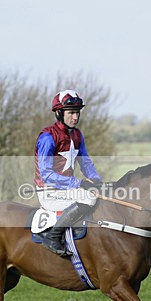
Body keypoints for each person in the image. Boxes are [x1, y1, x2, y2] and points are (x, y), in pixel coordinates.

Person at [34, 89, 102, 256]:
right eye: (71, 113)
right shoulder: (47, 138)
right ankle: (52, 237)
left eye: (77, 113)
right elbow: (46, 175)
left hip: (66, 189)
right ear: (59, 113)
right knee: (89, 198)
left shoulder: (77, 135)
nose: (75, 117)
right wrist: (79, 183)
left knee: (98, 196)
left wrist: (96, 180)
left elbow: (85, 162)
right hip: (49, 191)